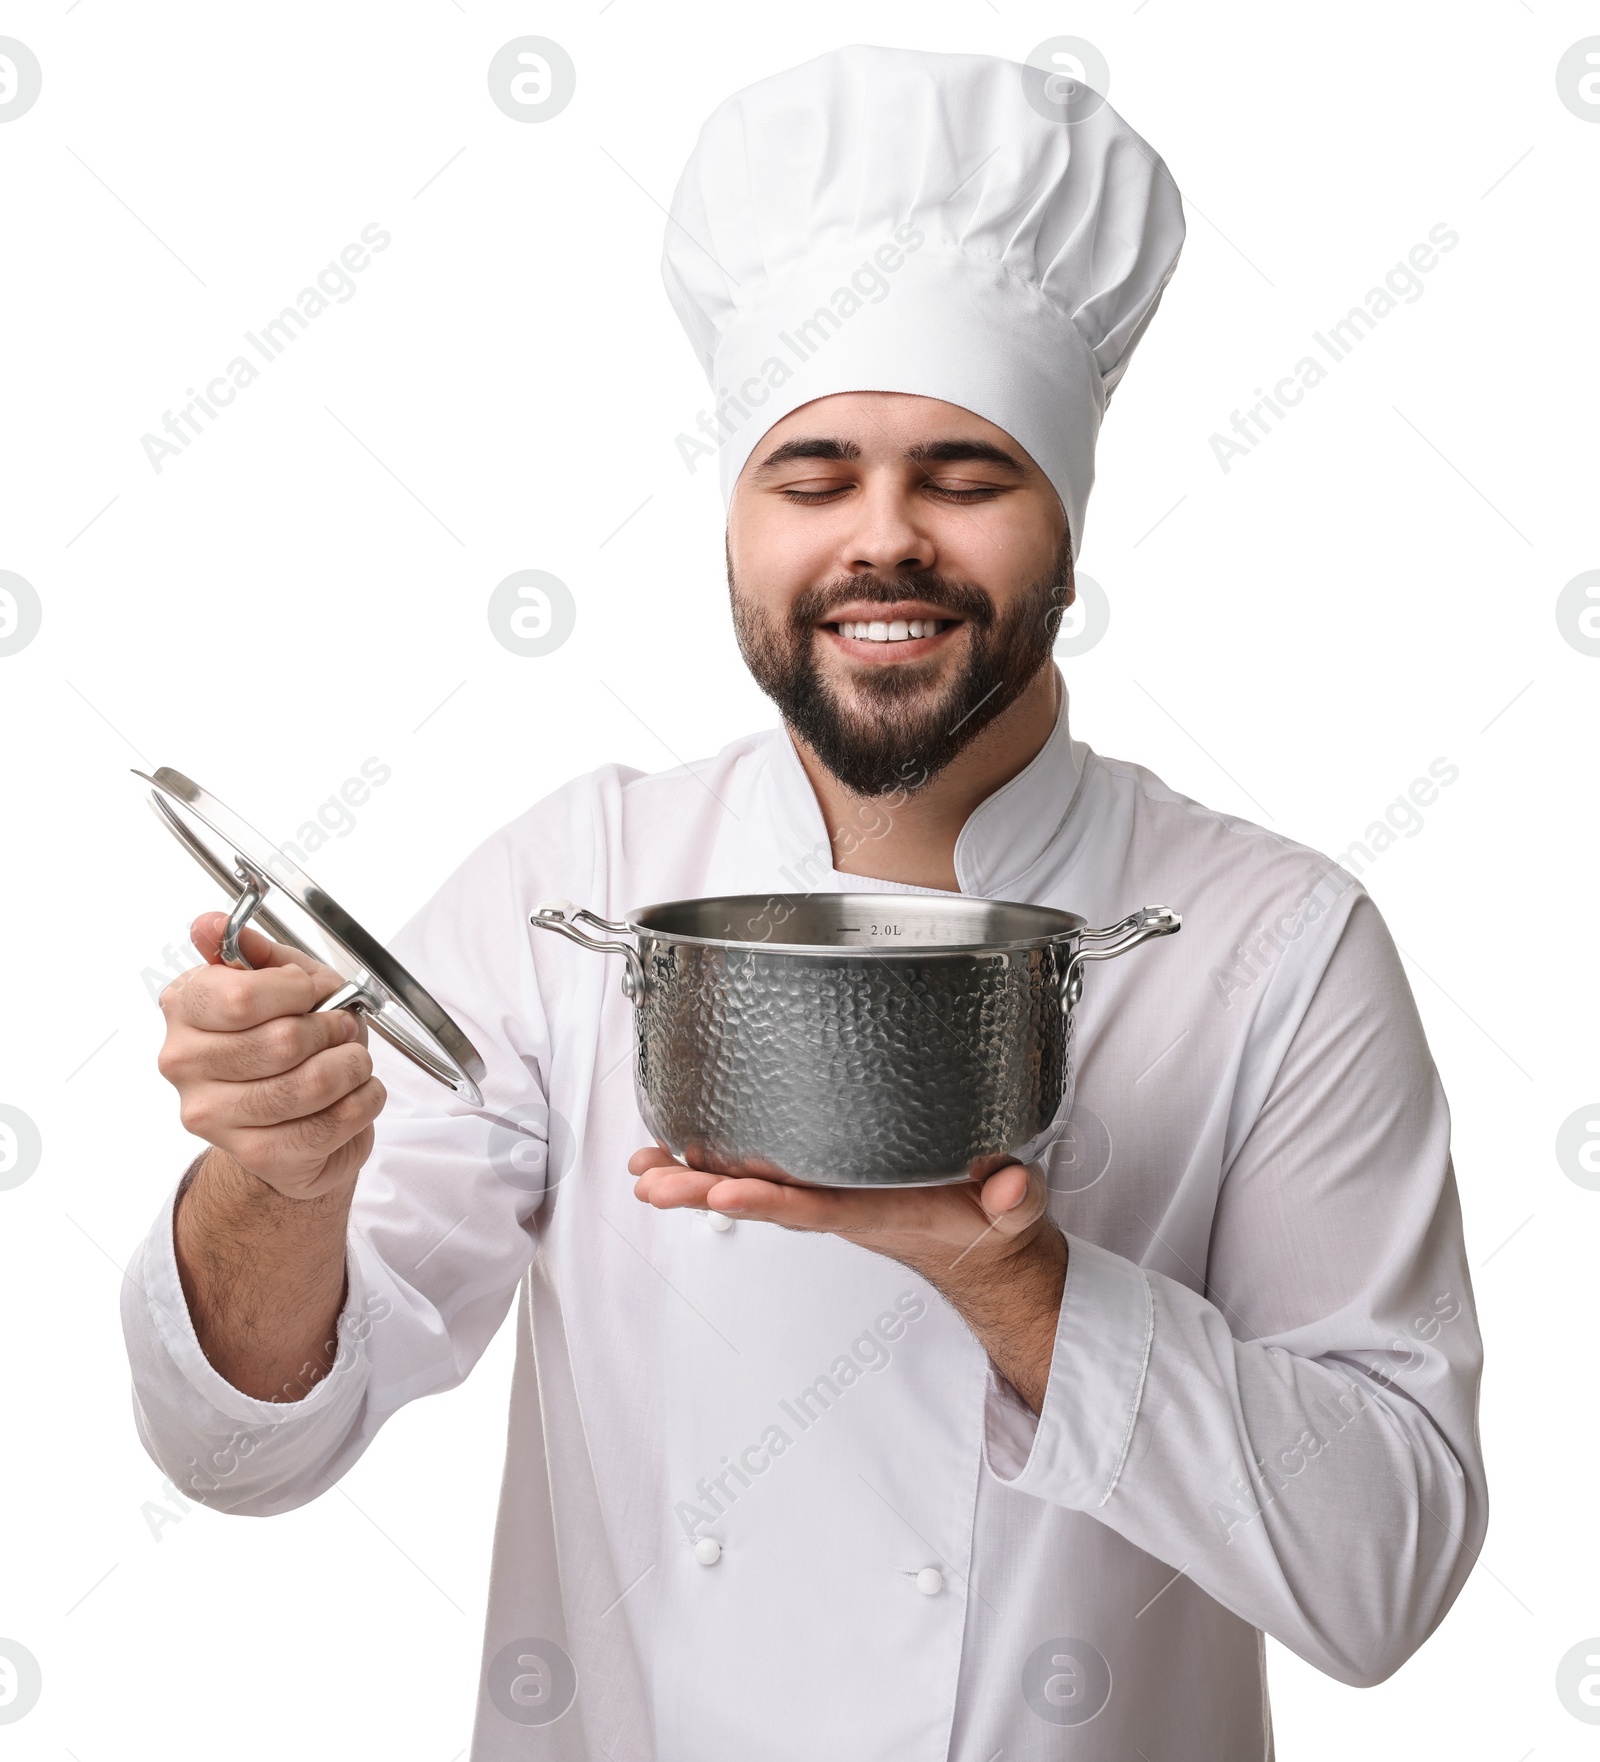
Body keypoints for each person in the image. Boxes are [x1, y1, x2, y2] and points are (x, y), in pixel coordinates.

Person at [123, 45, 1487, 1761]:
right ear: (737, 518)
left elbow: (1393, 1571)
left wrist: (1019, 1287)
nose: (885, 541)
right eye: (816, 474)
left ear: (1066, 515)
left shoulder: (1275, 943)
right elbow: (248, 1447)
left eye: (966, 476)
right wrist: (278, 1177)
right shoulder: (583, 885)